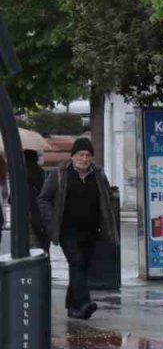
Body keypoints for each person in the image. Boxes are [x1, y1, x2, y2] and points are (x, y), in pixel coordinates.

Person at [37, 136, 119, 320]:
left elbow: (107, 198)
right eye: (81, 154)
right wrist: (51, 222)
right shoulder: (60, 174)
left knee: (82, 268)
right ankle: (84, 302)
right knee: (77, 263)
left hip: (91, 230)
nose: (84, 159)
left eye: (88, 155)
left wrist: (108, 219)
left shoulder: (98, 175)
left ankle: (73, 308)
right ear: (73, 156)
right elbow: (44, 199)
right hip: (68, 230)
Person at [20, 149, 48, 251]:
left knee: (32, 248)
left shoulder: (22, 174)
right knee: (42, 248)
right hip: (42, 217)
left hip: (29, 216)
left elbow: (12, 199)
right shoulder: (41, 173)